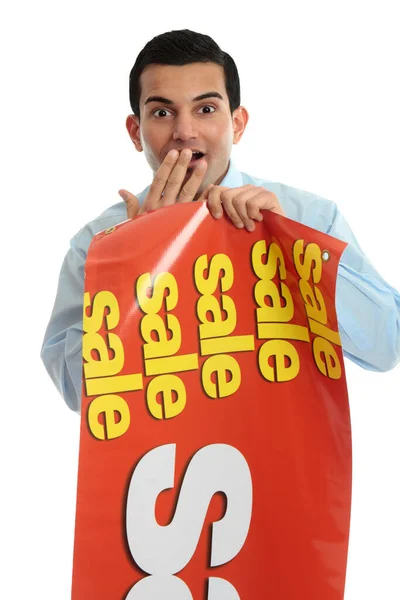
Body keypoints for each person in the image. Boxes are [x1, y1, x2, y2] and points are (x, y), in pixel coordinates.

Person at [41, 29, 400, 413]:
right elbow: (80, 394)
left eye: (206, 109)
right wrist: (141, 263)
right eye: (162, 113)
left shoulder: (308, 217)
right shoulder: (97, 244)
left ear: (238, 124)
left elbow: (386, 347)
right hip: (161, 464)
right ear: (135, 132)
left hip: (285, 460)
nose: (184, 132)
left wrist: (292, 247)